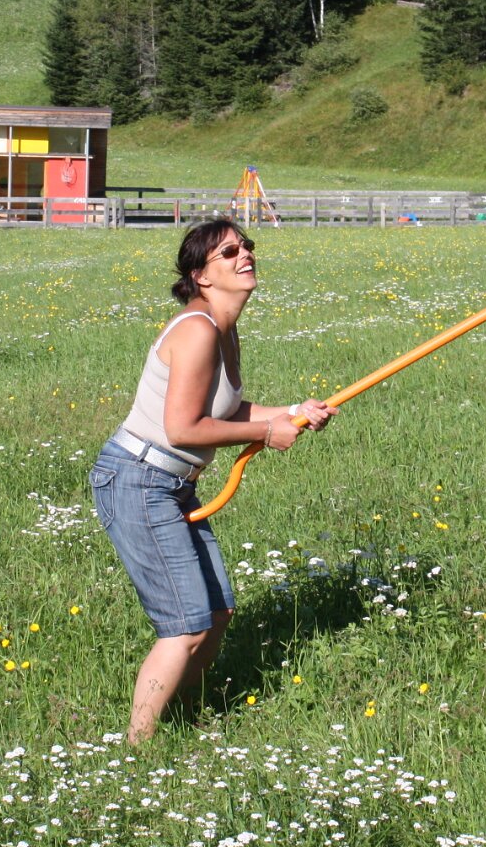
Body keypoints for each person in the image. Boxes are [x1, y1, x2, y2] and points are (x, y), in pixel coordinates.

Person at [89, 218, 336, 743]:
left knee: (217, 612)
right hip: (138, 479)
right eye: (228, 252)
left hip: (171, 484)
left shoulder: (223, 329)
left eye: (246, 246)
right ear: (201, 275)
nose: (244, 255)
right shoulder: (198, 330)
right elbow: (184, 428)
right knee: (186, 624)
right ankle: (137, 747)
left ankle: (182, 716)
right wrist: (266, 432)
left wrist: (292, 412)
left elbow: (223, 408)